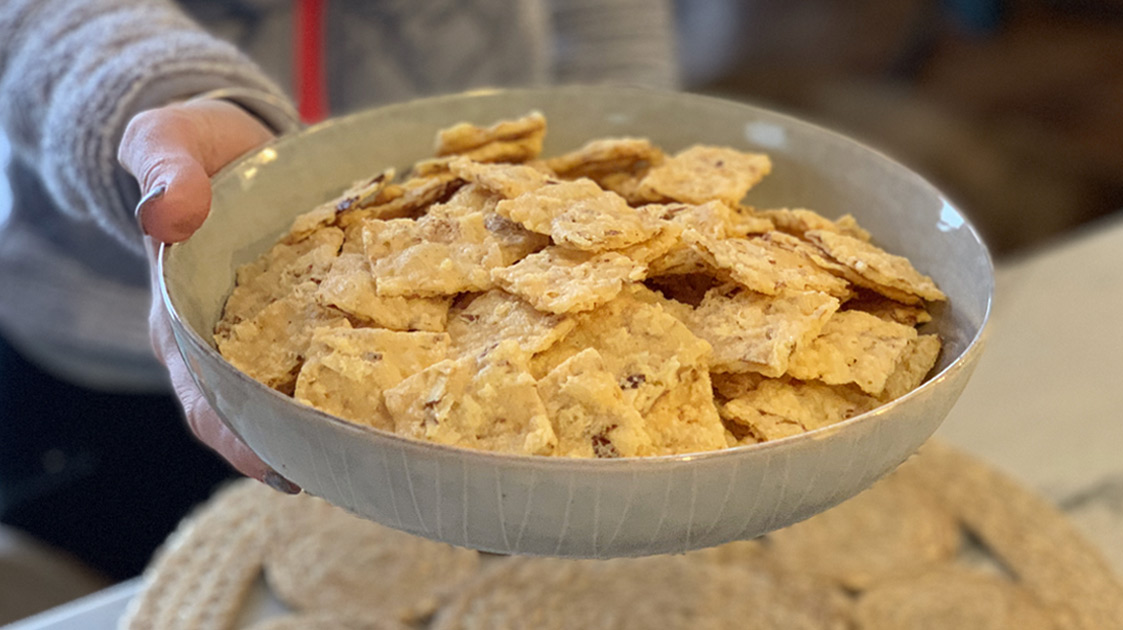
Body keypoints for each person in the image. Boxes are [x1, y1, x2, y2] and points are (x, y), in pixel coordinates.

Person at [0, 0, 679, 580]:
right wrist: (148, 91)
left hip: (491, 352)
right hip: (102, 339)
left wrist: (611, 174)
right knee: (173, 590)